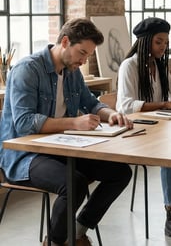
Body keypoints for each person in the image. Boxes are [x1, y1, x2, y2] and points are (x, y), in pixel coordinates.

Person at [0, 18, 133, 246]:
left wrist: (110, 114)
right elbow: (24, 123)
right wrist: (74, 123)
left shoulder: (72, 72)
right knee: (74, 184)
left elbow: (91, 103)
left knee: (120, 173)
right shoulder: (27, 70)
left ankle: (77, 231)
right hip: (24, 155)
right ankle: (55, 242)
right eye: (81, 53)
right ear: (64, 41)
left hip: (61, 147)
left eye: (88, 56)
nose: (83, 61)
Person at [116, 17, 171, 243]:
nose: (163, 47)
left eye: (165, 43)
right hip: (137, 132)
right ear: (145, 42)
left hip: (160, 127)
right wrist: (164, 105)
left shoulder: (159, 64)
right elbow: (125, 106)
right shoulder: (130, 66)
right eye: (158, 42)